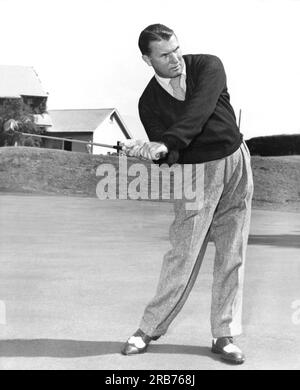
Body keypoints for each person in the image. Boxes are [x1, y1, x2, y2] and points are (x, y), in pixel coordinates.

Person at [121, 23, 253, 365]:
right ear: (147, 60)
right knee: (183, 253)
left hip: (236, 162)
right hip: (195, 174)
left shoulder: (208, 66)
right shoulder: (148, 102)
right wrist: (148, 150)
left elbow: (198, 113)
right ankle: (148, 329)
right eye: (164, 55)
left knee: (232, 251)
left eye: (176, 49)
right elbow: (173, 155)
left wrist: (167, 141)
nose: (175, 58)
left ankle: (223, 335)